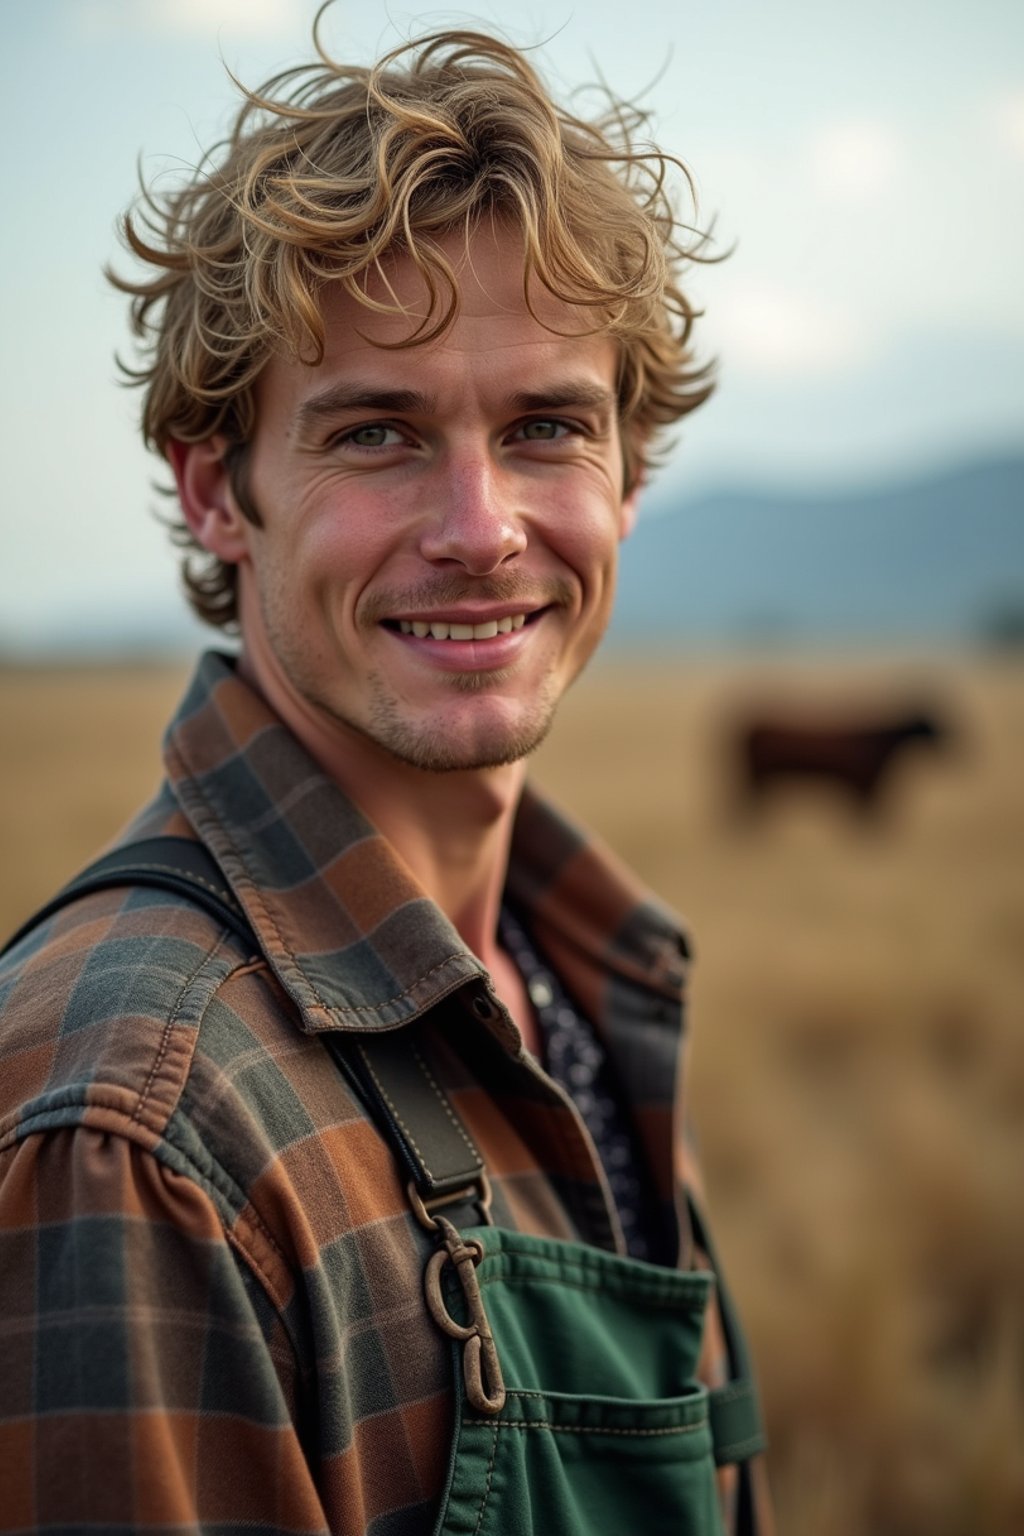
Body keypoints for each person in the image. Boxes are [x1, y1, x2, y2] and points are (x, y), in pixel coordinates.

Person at [0, 20, 771, 1535]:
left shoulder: (578, 973)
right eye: (379, 433)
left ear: (627, 470)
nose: (481, 529)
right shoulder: (133, 1133)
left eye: (547, 424)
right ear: (219, 487)